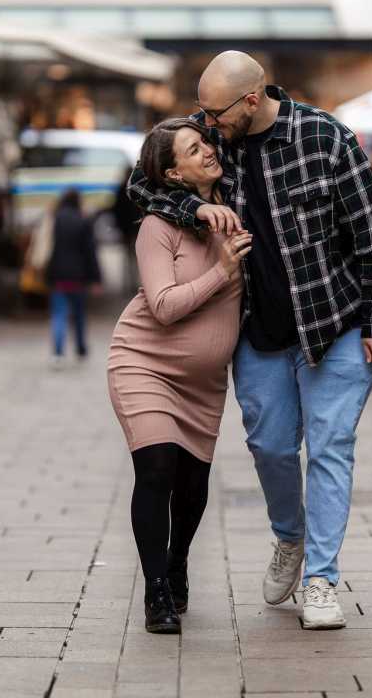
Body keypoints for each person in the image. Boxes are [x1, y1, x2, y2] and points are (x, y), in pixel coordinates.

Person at [128, 52, 372, 630]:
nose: (205, 123)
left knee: (329, 445)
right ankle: (290, 537)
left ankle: (322, 579)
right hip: (259, 331)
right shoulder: (212, 139)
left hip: (335, 324)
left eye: (214, 112)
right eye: (201, 113)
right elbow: (143, 179)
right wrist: (195, 205)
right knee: (271, 447)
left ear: (251, 100)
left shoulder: (326, 139)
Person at [108, 118, 252, 634]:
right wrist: (222, 273)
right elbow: (164, 306)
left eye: (206, 141)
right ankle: (156, 593)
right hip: (145, 361)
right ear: (174, 171)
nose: (208, 151)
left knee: (193, 486)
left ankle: (178, 562)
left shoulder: (237, 205)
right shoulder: (158, 225)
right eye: (195, 149)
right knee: (157, 471)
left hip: (203, 384)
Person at [45, 188, 101, 367]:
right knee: (78, 315)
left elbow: (51, 247)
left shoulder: (57, 219)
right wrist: (96, 278)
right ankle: (81, 348)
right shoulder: (83, 220)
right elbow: (90, 252)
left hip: (59, 274)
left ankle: (58, 352)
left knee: (59, 314)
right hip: (78, 276)